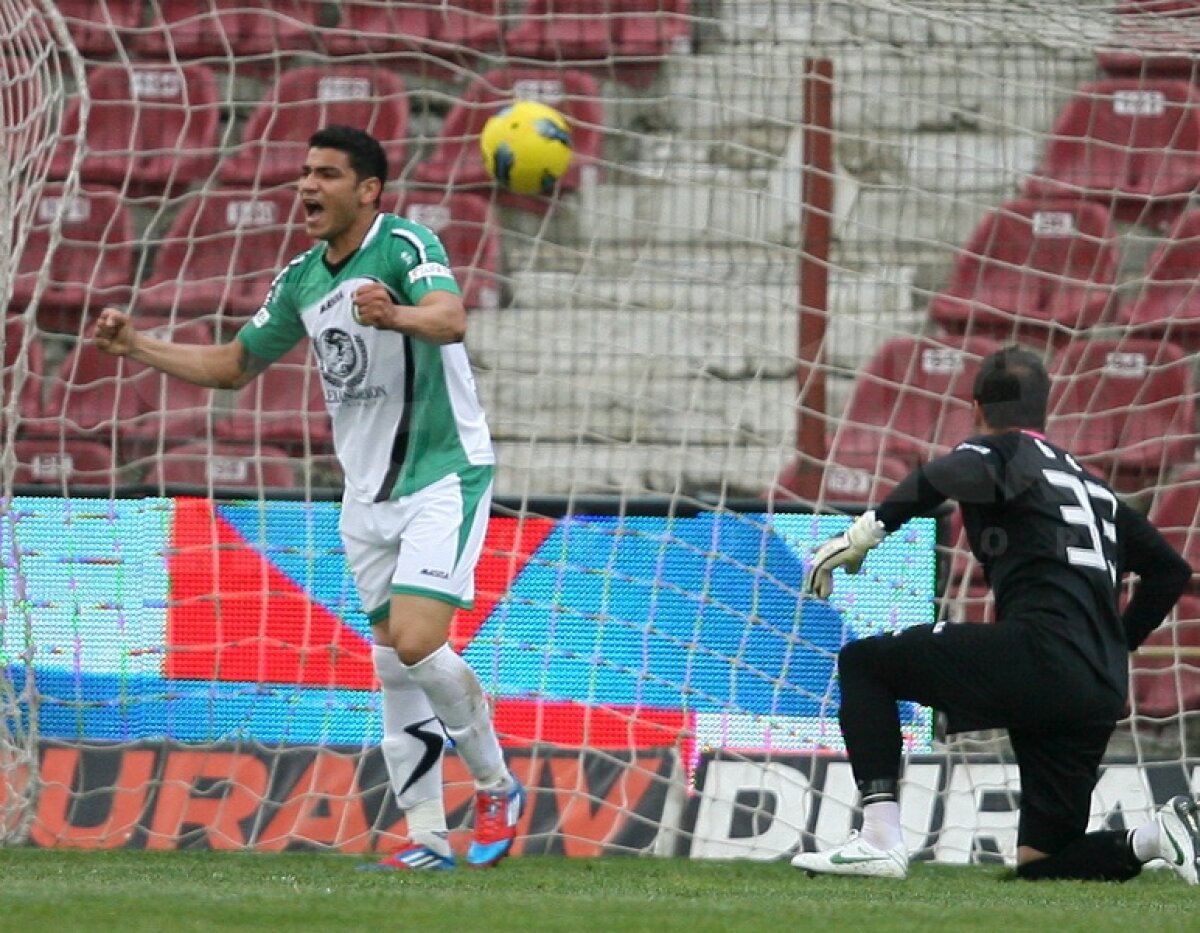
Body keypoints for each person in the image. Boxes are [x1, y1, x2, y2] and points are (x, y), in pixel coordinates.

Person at [94, 125, 523, 871]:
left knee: (420, 641)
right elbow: (233, 366)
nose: (306, 187)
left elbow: (450, 318)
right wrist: (138, 347)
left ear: (368, 190)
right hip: (364, 495)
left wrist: (395, 315)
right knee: (394, 662)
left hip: (442, 474)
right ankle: (426, 837)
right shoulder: (300, 279)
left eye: (325, 173)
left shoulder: (404, 245)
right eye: (303, 172)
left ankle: (495, 785)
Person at [792, 345, 1198, 883]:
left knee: (865, 663)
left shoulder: (1001, 453)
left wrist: (865, 532)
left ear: (977, 407)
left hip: (1040, 652)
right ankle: (1157, 835)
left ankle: (879, 838)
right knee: (1046, 863)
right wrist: (1116, 642)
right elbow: (1170, 571)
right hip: (1097, 681)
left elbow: (948, 473)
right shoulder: (1092, 484)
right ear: (1043, 410)